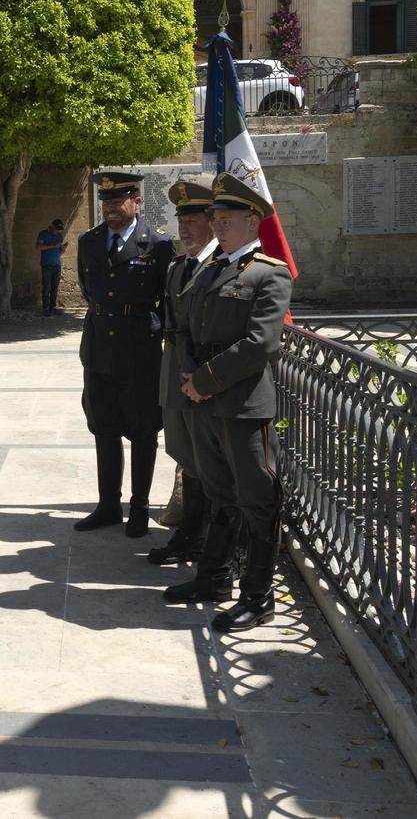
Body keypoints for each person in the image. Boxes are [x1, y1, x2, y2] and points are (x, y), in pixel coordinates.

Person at [180, 172, 293, 633]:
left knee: (257, 501)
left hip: (244, 405)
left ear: (253, 220)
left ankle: (258, 597)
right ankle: (213, 578)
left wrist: (204, 379)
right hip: (204, 402)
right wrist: (190, 377)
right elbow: (185, 325)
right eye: (215, 218)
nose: (217, 225)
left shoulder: (270, 273)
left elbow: (261, 343)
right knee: (218, 493)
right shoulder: (211, 268)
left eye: (226, 218)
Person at [74, 170, 173, 537]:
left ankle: (140, 507)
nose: (110, 210)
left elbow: (168, 299)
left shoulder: (157, 245)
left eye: (117, 202)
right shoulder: (90, 242)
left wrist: (151, 332)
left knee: (144, 431)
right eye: (106, 203)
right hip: (99, 349)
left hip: (140, 351)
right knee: (104, 427)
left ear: (137, 201)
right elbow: (88, 289)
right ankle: (108, 505)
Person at [152, 176, 221, 602]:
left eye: (193, 219)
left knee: (207, 463)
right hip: (174, 372)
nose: (184, 227)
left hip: (205, 379)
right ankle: (188, 537)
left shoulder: (221, 267)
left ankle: (205, 543)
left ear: (214, 222)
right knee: (183, 456)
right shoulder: (179, 267)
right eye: (181, 219)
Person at [35, 218, 68, 316]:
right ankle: (45, 308)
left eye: (59, 229)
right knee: (46, 287)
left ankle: (52, 307)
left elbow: (59, 251)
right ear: (52, 226)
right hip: (47, 265)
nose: (57, 231)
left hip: (57, 265)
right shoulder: (43, 234)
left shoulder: (59, 236)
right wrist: (54, 245)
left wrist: (63, 249)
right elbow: (38, 247)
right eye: (56, 229)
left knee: (55, 287)